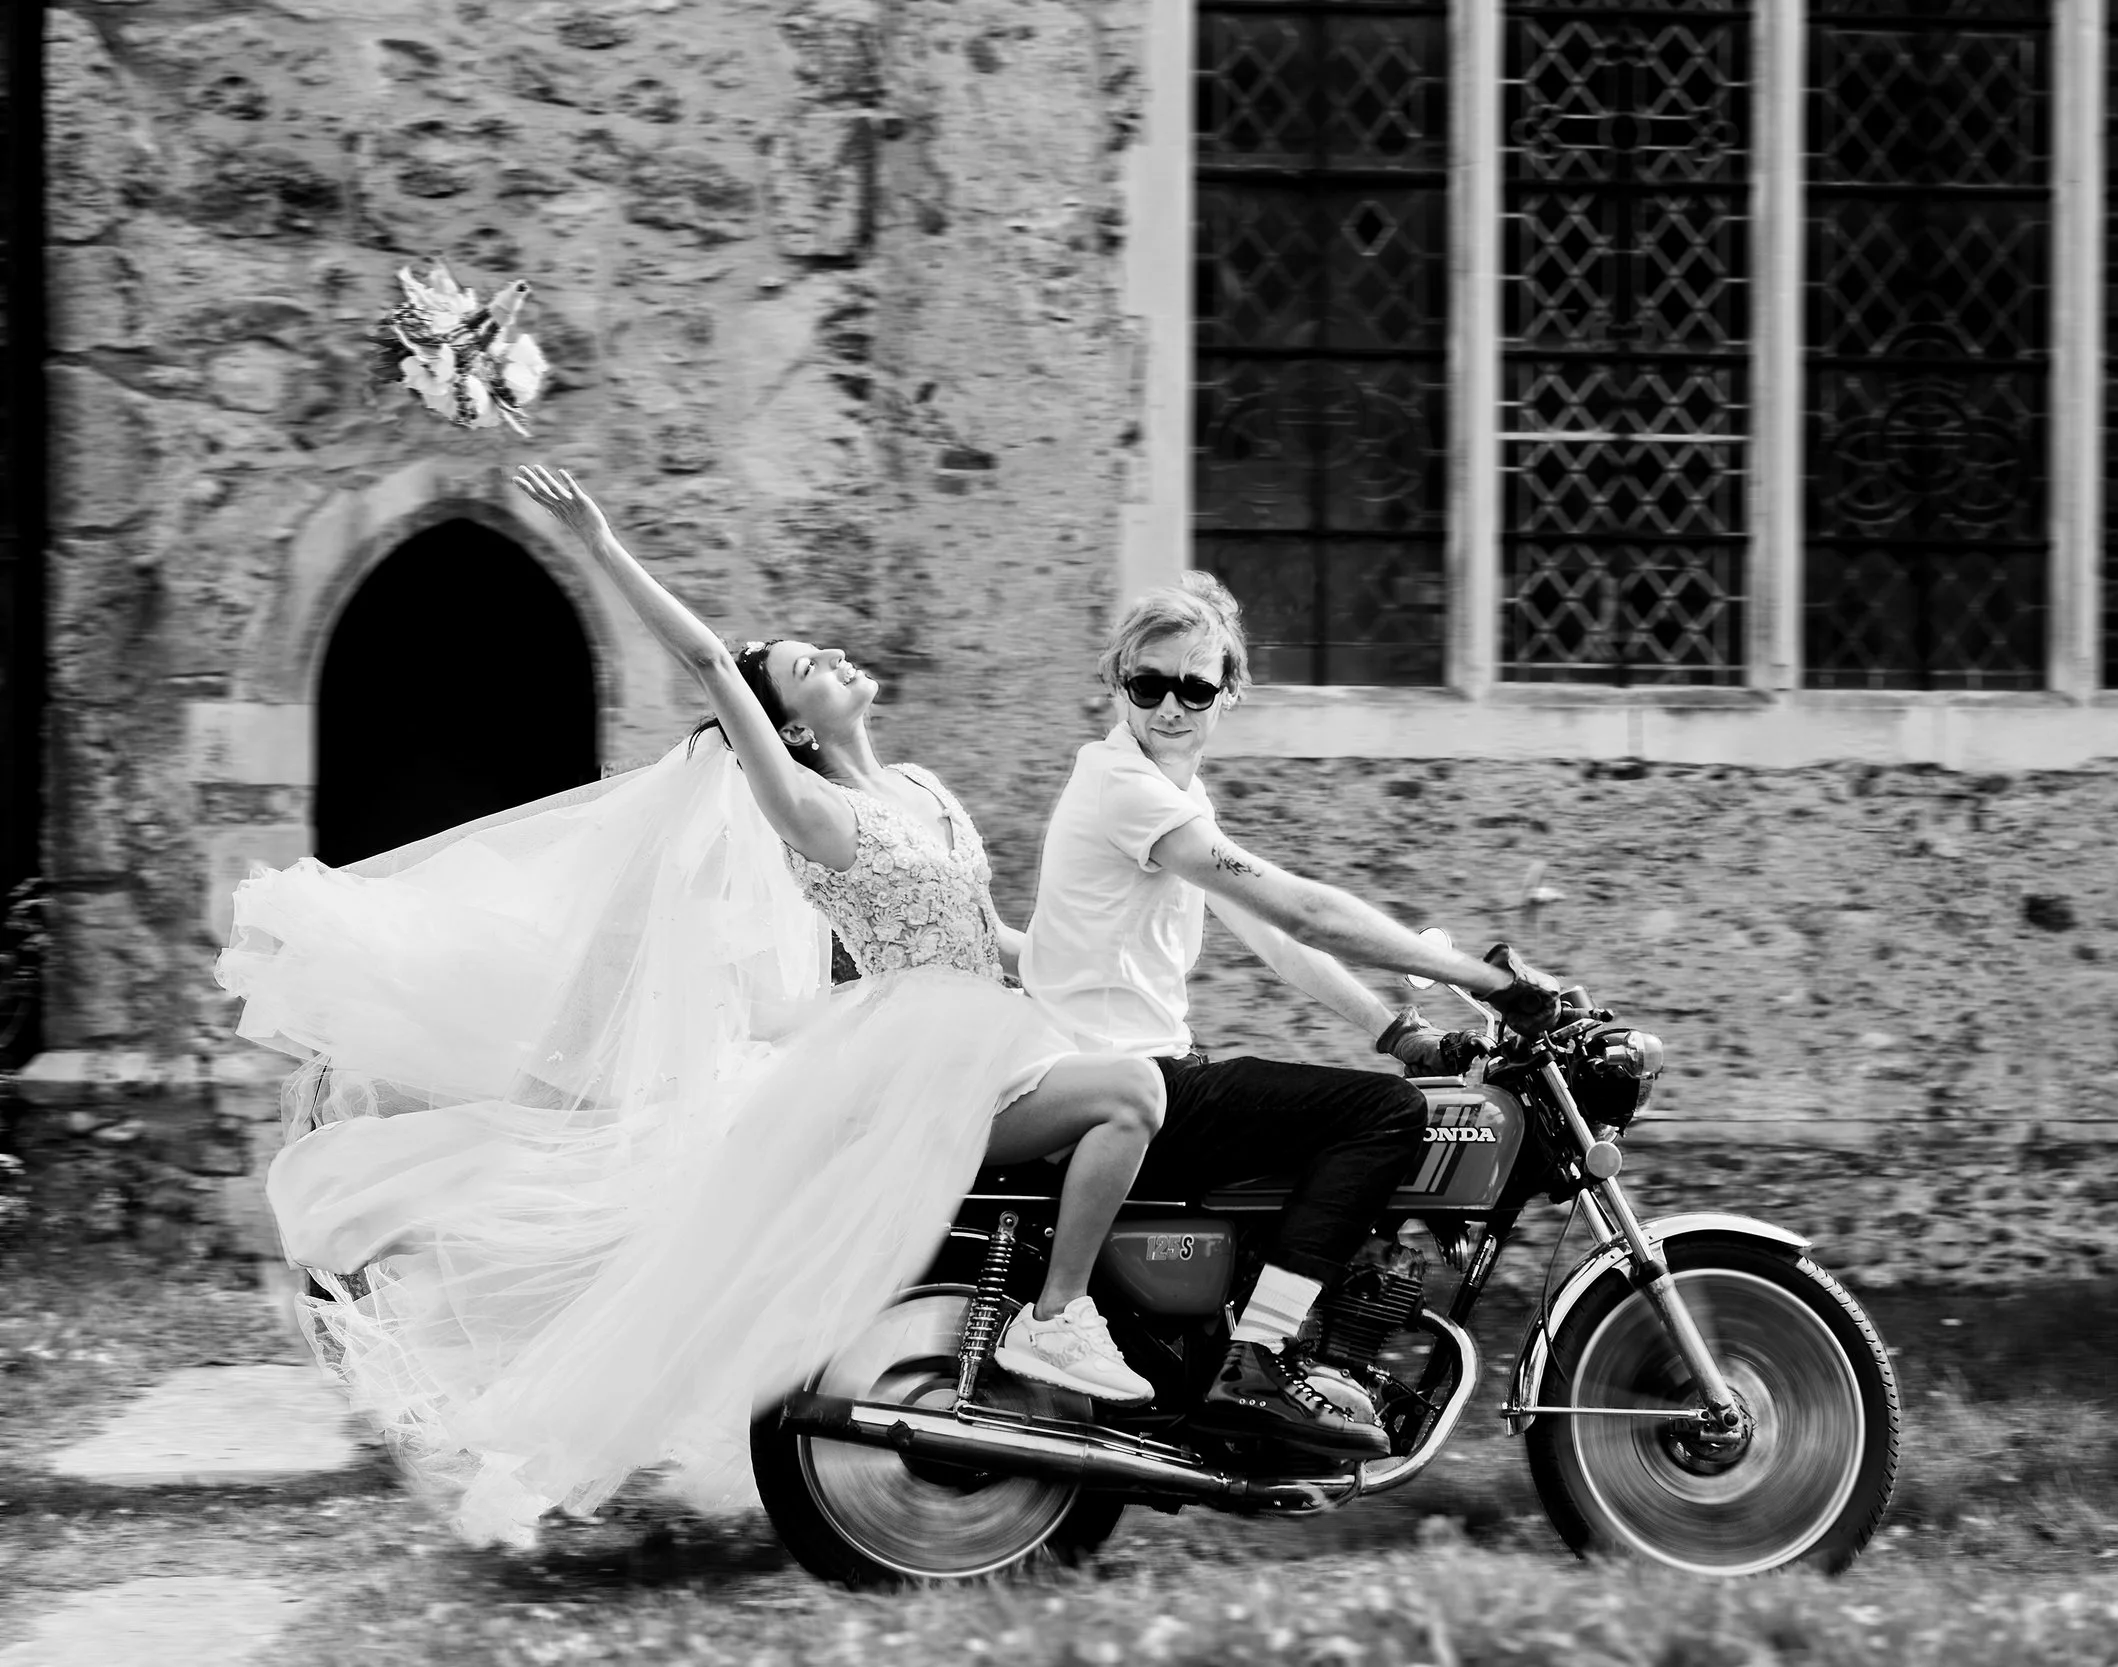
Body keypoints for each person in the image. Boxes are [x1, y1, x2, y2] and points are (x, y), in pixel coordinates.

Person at [217, 465, 1157, 1547]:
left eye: (822, 651)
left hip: (994, 1030)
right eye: (805, 667)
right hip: (923, 1056)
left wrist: (1108, 951)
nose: (833, 657)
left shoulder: (924, 793)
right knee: (1128, 1096)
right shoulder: (811, 809)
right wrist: (602, 541)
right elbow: (712, 662)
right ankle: (1058, 1319)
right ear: (787, 726)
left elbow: (995, 937)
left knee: (1145, 1091)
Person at [1020, 572, 1559, 1458]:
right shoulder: (1125, 788)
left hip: (1140, 1067)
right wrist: (1484, 980)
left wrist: (1398, 1031)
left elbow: (1276, 939)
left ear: (1229, 692)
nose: (1170, 706)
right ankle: (1262, 1356)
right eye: (1147, 684)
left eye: (1194, 687)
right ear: (1117, 683)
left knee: (1337, 1109)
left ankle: (1268, 1341)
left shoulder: (1167, 795)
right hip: (1123, 1077)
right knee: (1383, 1113)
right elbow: (1304, 912)